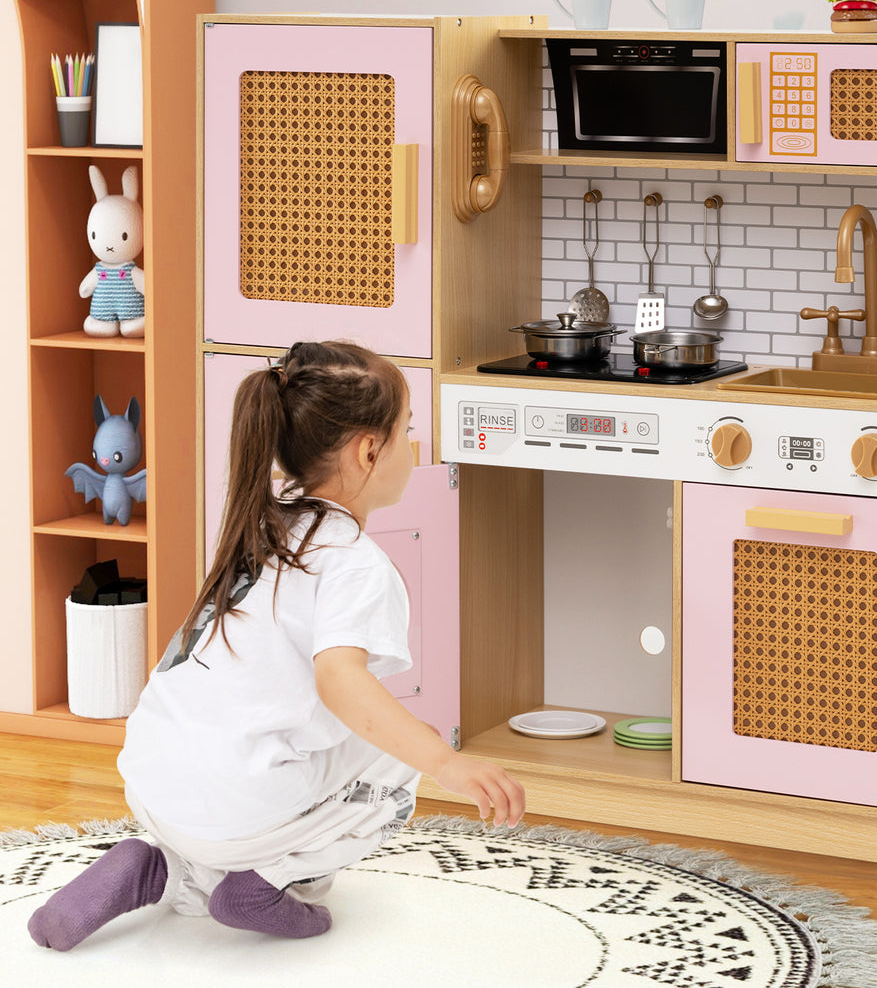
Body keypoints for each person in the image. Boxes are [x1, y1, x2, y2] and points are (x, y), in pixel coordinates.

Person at [29, 340, 526, 951]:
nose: (414, 445)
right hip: (237, 804)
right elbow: (342, 684)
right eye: (408, 430)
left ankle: (165, 867)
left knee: (240, 776)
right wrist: (447, 762)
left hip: (150, 776)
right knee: (399, 756)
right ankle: (271, 880)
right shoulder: (354, 563)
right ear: (370, 449)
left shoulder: (260, 522)